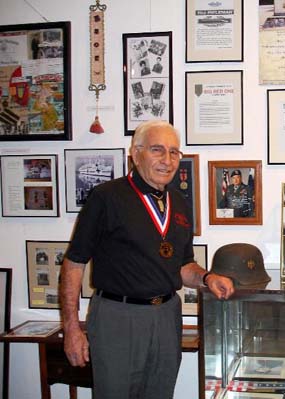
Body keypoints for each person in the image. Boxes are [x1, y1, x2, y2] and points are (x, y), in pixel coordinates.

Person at [60, 120, 234, 399]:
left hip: (166, 315)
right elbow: (74, 263)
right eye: (157, 150)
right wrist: (71, 328)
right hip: (118, 317)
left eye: (174, 152)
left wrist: (207, 277)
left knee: (160, 393)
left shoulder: (180, 202)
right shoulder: (106, 197)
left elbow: (183, 266)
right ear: (136, 153)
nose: (168, 160)